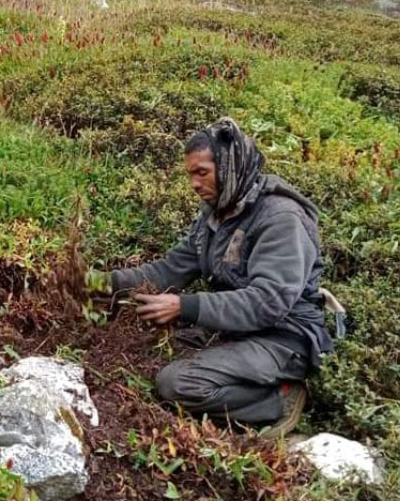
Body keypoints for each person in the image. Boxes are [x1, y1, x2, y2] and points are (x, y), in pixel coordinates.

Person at [85, 118, 332, 439]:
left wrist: (185, 306)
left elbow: (268, 302)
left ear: (230, 166)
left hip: (283, 338)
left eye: (202, 172)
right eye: (190, 174)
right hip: (236, 330)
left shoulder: (281, 219)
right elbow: (168, 270)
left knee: (176, 383)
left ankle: (279, 398)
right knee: (146, 354)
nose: (194, 183)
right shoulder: (216, 215)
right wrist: (100, 282)